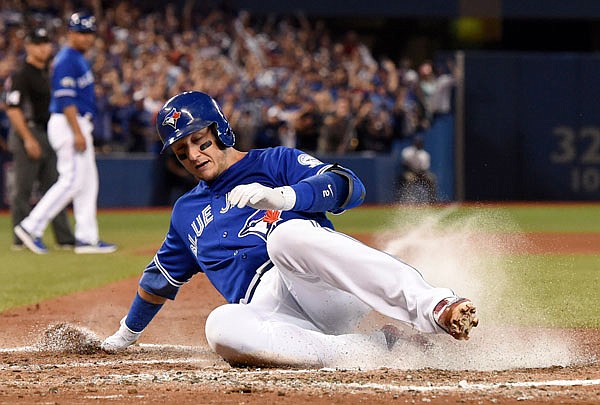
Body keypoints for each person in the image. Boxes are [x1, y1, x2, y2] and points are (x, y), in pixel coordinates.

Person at [101, 91, 477, 367]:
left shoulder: (275, 161)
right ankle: (372, 349)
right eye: (182, 152)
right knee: (220, 325)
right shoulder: (186, 212)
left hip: (320, 285)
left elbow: (350, 187)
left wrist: (284, 198)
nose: (194, 156)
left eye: (200, 142)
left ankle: (435, 306)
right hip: (275, 315)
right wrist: (124, 336)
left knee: (285, 236)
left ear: (221, 131)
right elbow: (158, 281)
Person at [13, 12, 116, 255]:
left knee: (88, 182)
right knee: (71, 180)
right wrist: (78, 132)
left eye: (90, 33)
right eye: (81, 33)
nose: (87, 38)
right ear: (70, 33)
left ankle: (86, 238)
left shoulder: (78, 59)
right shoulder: (66, 59)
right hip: (69, 123)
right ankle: (30, 227)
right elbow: (65, 99)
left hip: (76, 123)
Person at [5, 27, 75, 251]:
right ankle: (20, 238)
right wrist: (27, 139)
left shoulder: (50, 72)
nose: (44, 48)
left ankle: (64, 238)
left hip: (50, 133)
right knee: (22, 190)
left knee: (56, 186)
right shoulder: (22, 74)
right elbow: (13, 108)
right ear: (28, 47)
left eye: (46, 43)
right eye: (38, 43)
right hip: (30, 132)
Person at [400, 136, 437, 203]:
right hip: (410, 172)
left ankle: (432, 201)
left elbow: (425, 168)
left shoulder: (425, 154)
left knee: (431, 179)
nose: (418, 144)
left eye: (419, 142)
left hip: (421, 173)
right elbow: (404, 164)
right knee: (409, 179)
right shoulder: (407, 151)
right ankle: (408, 201)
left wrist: (420, 174)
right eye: (417, 142)